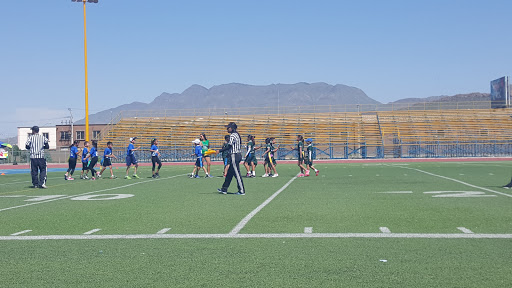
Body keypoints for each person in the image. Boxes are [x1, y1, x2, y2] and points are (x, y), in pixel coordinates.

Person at [217, 122, 245, 195]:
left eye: (228, 127)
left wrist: (220, 150)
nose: (227, 129)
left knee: (237, 173)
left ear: (232, 128)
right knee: (229, 173)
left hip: (234, 155)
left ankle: (241, 190)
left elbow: (229, 146)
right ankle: (224, 189)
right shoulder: (236, 134)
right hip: (236, 155)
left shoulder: (233, 135)